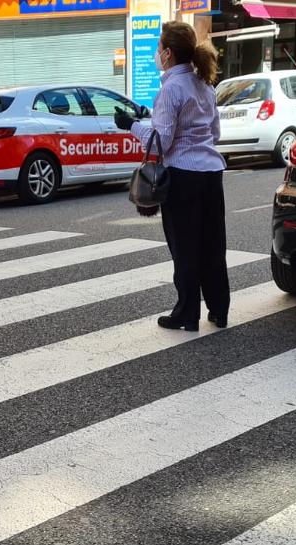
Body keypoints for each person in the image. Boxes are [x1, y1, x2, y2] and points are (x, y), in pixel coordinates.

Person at [115, 21, 228, 332]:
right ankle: (219, 309)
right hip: (211, 173)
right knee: (212, 243)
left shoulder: (171, 89)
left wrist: (131, 125)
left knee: (185, 246)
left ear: (167, 53)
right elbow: (215, 134)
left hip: (183, 176)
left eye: (158, 49)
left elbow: (161, 142)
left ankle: (186, 313)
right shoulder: (205, 84)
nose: (156, 54)